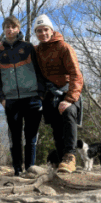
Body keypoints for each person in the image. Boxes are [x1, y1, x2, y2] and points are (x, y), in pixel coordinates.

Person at [0, 16, 45, 177]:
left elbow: (39, 70)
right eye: (7, 27)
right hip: (11, 100)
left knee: (31, 137)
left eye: (13, 27)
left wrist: (41, 95)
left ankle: (30, 169)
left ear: (18, 29)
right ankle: (17, 170)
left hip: (32, 98)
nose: (10, 30)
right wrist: (1, 98)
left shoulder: (28, 48)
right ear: (4, 30)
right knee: (15, 138)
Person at [33, 14, 84, 173]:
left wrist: (69, 99)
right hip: (50, 93)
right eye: (39, 31)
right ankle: (63, 160)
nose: (43, 33)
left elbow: (76, 74)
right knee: (55, 126)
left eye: (45, 30)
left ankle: (70, 156)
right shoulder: (37, 50)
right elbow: (20, 51)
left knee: (67, 113)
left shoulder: (64, 47)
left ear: (51, 30)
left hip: (67, 91)